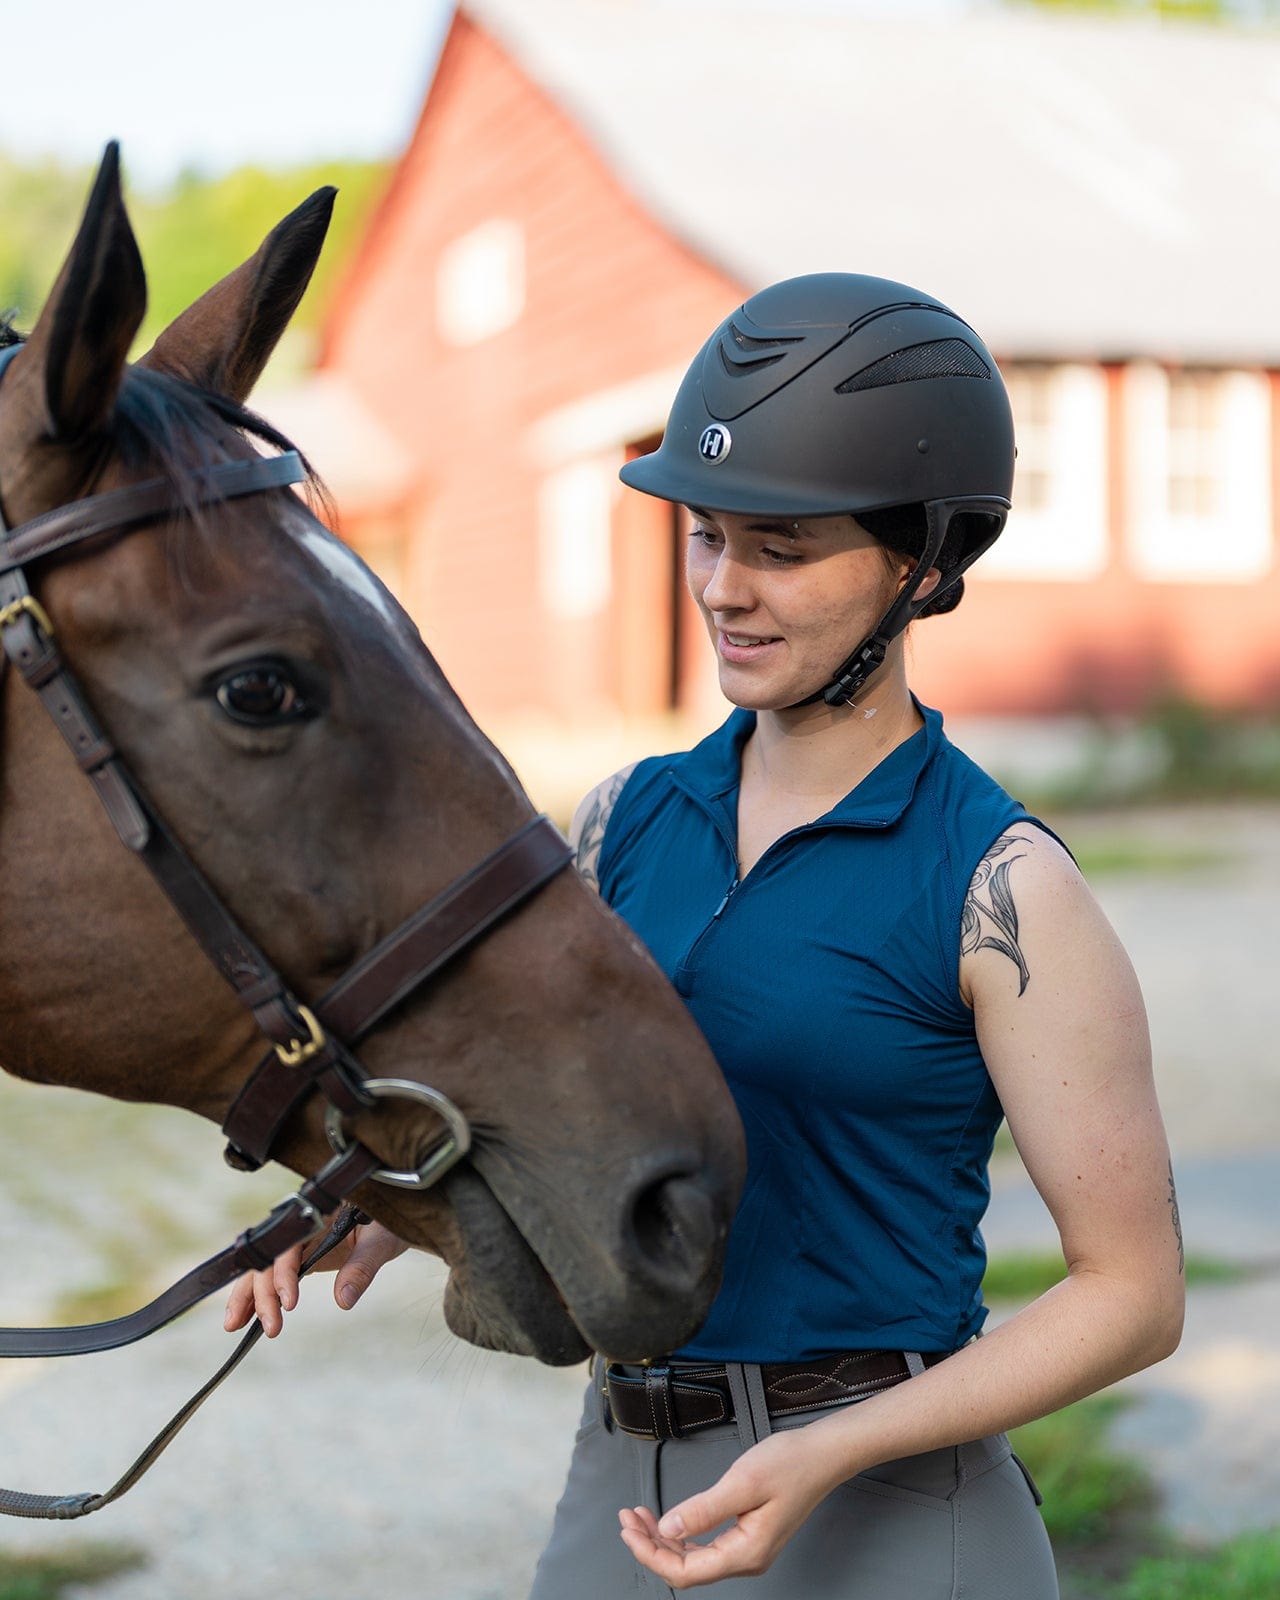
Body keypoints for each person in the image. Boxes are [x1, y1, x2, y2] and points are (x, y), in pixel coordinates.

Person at [226, 273, 1185, 1597]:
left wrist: (831, 1450)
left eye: (780, 550)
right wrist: (383, 1205)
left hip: (889, 1500)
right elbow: (556, 1112)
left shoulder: (1002, 886)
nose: (724, 589)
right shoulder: (622, 821)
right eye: (704, 536)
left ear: (920, 564)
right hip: (625, 1478)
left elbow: (1133, 1293)